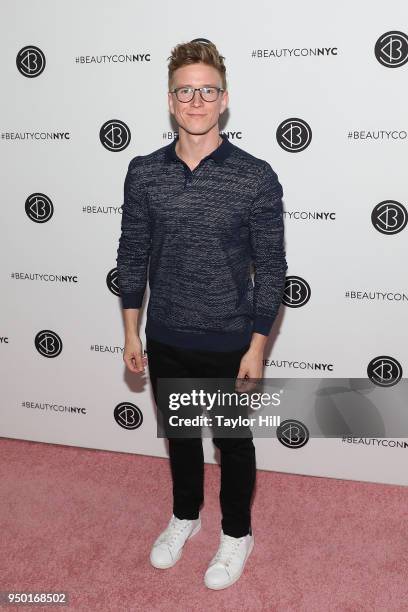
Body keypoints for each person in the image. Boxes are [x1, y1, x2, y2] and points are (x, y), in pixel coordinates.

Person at [116, 39, 287, 590]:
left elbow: (273, 268)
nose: (196, 100)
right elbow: (131, 254)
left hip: (231, 340)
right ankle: (184, 517)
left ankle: (237, 533)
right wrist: (131, 331)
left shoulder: (255, 175)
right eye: (185, 91)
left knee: (233, 444)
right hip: (165, 333)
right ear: (171, 101)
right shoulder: (143, 172)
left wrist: (258, 345)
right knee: (182, 438)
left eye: (206, 90)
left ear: (224, 99)